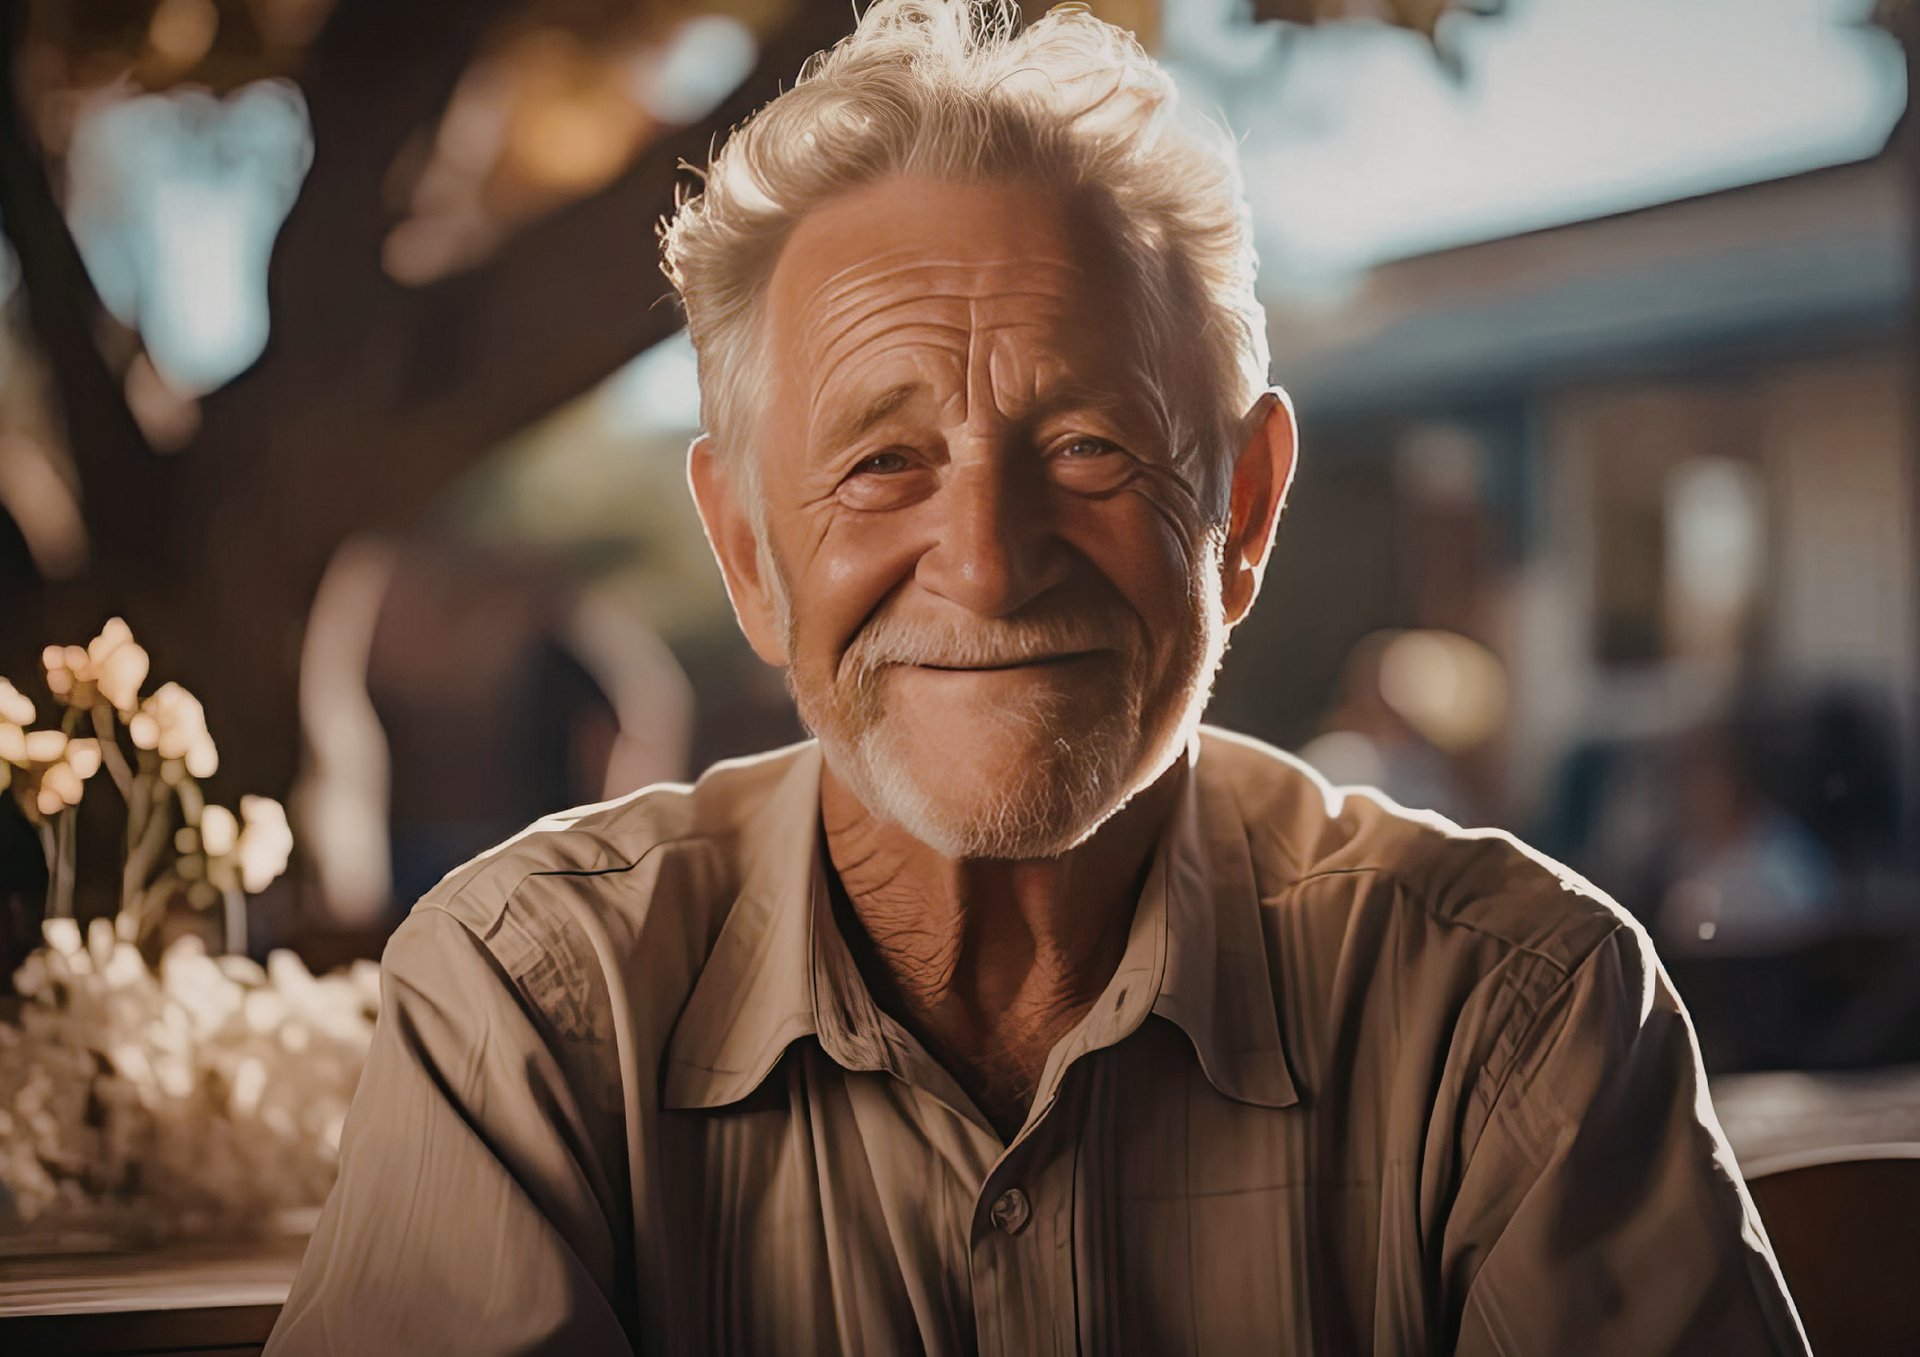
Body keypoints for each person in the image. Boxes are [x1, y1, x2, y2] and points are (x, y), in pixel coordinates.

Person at [265, 4, 1809, 1353]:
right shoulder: (531, 1012)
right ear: (745, 554)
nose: (990, 564)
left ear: (1244, 509)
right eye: (881, 462)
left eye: (1088, 447)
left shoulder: (1512, 1016)